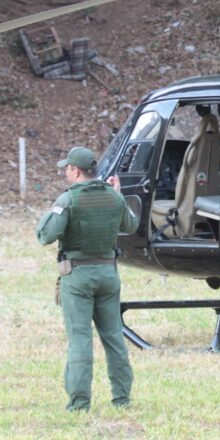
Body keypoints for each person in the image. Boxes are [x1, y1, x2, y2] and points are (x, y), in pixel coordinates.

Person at [36, 146, 139, 411]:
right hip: (108, 272)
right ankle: (122, 398)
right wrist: (119, 196)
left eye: (67, 168)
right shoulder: (114, 198)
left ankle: (79, 403)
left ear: (75, 170)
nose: (65, 173)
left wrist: (55, 208)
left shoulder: (68, 199)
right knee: (114, 337)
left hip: (78, 275)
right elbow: (130, 225)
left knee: (80, 339)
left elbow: (45, 235)